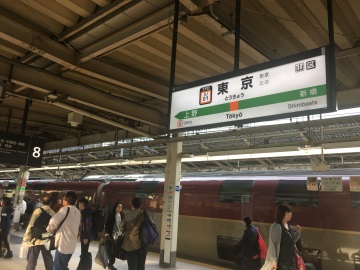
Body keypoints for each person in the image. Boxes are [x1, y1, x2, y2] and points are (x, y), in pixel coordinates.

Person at [46, 191, 81, 270]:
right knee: (64, 265)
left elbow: (53, 221)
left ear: (66, 200)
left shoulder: (64, 209)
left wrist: (49, 229)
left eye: (63, 199)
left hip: (63, 244)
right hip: (72, 244)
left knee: (58, 267)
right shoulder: (78, 212)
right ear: (75, 201)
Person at [261, 204, 301, 270]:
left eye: (291, 212)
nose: (291, 214)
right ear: (282, 213)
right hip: (282, 264)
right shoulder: (277, 227)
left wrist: (298, 232)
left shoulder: (288, 226)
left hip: (291, 262)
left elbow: (292, 241)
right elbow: (273, 245)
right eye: (288, 212)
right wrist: (273, 262)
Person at [23, 195, 55, 270]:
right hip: (47, 239)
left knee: (32, 260)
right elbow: (54, 227)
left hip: (35, 239)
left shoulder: (37, 211)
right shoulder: (53, 213)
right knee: (48, 259)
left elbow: (30, 225)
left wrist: (26, 237)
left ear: (42, 202)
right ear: (50, 203)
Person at [120, 197, 153, 270]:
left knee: (132, 266)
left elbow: (121, 227)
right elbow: (152, 225)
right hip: (143, 243)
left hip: (130, 244)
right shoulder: (145, 215)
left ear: (132, 204)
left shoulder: (128, 215)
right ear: (141, 205)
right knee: (141, 265)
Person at [105, 201, 125, 270]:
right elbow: (107, 225)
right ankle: (110, 264)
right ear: (115, 207)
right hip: (113, 235)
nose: (120, 208)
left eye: (121, 207)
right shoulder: (111, 215)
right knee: (113, 250)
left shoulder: (122, 215)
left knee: (116, 250)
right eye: (119, 206)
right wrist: (107, 233)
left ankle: (111, 263)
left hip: (120, 235)